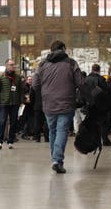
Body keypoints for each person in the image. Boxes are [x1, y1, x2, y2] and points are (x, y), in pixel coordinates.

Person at [33, 40, 84, 173]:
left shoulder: (42, 64)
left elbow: (35, 85)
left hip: (48, 103)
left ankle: (55, 160)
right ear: (63, 49)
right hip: (66, 102)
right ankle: (57, 159)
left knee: (52, 131)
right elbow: (80, 82)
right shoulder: (71, 63)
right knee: (62, 131)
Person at [0, 59, 23, 149]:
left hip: (15, 103)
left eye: (14, 64)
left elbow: (20, 91)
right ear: (6, 66)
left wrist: (21, 101)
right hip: (4, 103)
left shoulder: (18, 77)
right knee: (2, 121)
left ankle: (10, 141)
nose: (13, 66)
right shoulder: (0, 77)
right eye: (11, 65)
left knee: (14, 122)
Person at [84, 64, 111, 147]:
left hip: (89, 104)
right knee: (105, 123)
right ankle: (105, 140)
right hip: (101, 106)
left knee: (92, 123)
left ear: (91, 69)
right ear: (99, 70)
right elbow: (106, 92)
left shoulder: (86, 79)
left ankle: (92, 141)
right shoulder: (100, 79)